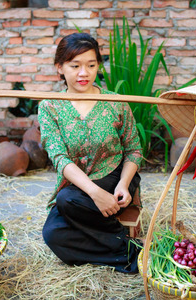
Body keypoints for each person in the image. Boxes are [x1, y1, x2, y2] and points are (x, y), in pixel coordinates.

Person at [38, 33, 143, 273]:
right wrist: (95, 193)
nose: (83, 73)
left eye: (91, 65)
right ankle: (128, 250)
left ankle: (120, 252)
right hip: (78, 186)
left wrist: (124, 185)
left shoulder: (116, 101)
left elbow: (134, 150)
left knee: (67, 200)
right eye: (75, 66)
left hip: (115, 176)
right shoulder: (49, 106)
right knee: (53, 233)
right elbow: (59, 158)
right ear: (60, 68)